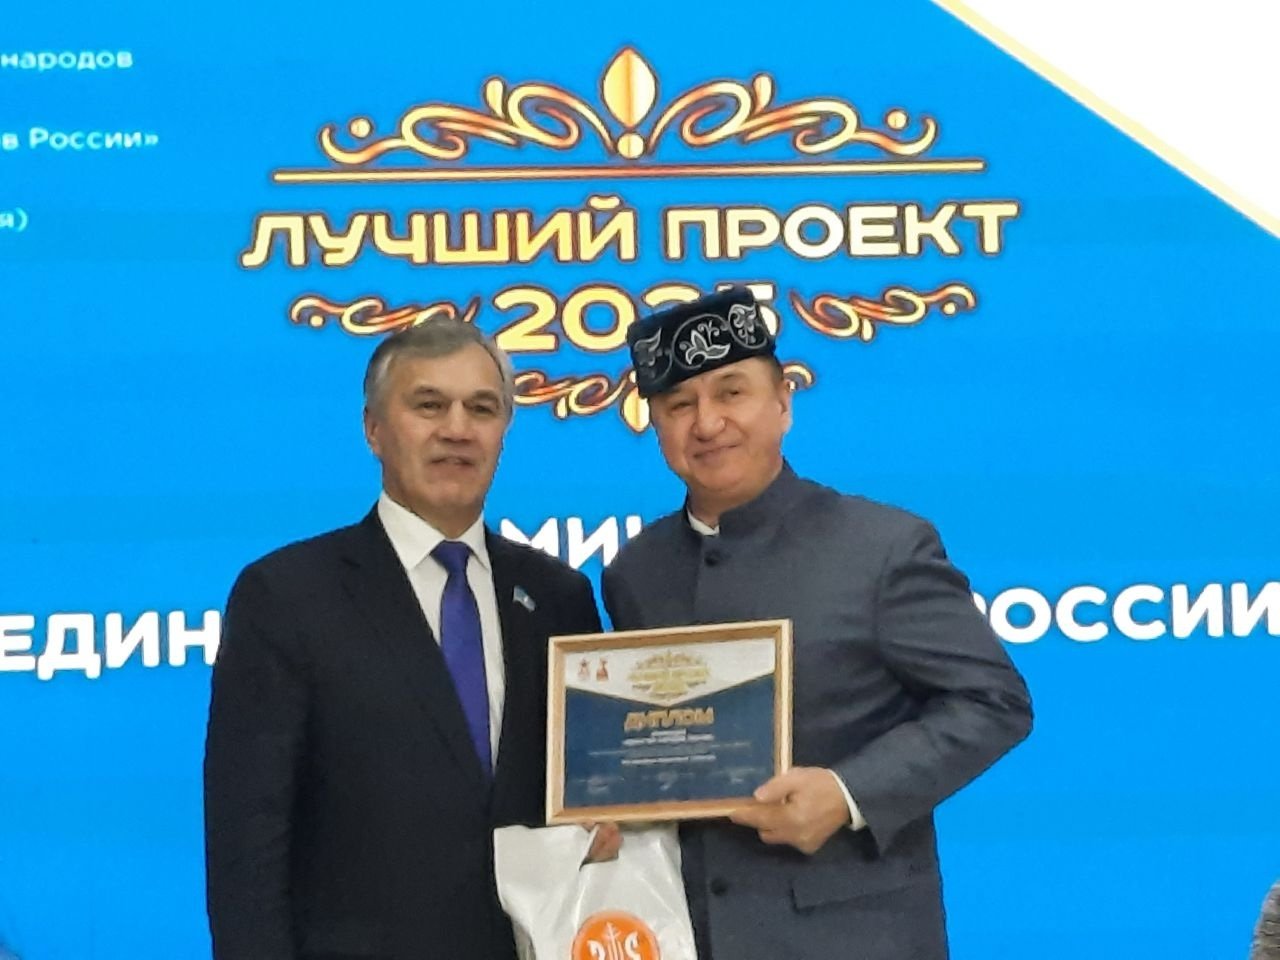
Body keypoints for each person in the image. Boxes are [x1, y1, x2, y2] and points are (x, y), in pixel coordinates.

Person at [603, 286, 1033, 960]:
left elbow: (994, 701)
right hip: (684, 935)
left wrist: (846, 792)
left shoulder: (882, 546)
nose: (708, 423)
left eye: (732, 393)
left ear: (783, 403)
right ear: (653, 423)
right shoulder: (636, 570)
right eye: (679, 405)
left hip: (853, 935)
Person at [204, 318, 614, 960]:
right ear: (374, 429)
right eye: (429, 405)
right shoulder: (285, 597)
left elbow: (590, 799)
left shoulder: (558, 596)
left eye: (482, 408)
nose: (457, 428)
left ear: (504, 430)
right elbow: (247, 846)